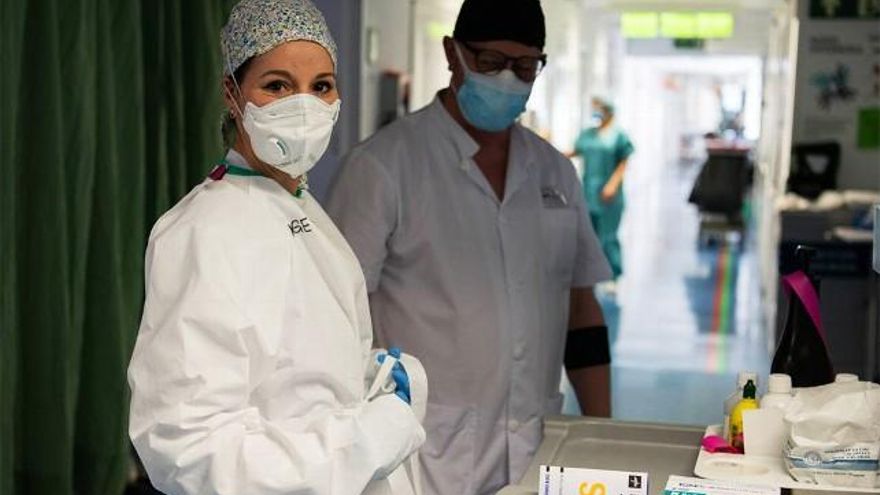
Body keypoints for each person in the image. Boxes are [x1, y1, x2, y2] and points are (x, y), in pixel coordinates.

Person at [127, 1, 427, 494]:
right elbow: (189, 447)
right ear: (232, 92)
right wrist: (365, 439)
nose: (304, 105)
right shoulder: (205, 231)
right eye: (277, 86)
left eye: (321, 86)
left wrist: (366, 381)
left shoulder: (303, 209)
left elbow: (292, 369)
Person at [325, 1, 613, 493]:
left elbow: (581, 310)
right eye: (491, 62)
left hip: (535, 445)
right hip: (422, 452)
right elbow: (333, 320)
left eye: (524, 67)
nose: (507, 79)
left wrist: (602, 435)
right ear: (452, 54)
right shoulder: (383, 168)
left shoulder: (555, 174)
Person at [567, 97, 634, 279]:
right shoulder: (588, 134)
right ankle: (592, 273)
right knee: (588, 236)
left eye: (599, 108)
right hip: (588, 193)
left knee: (608, 236)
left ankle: (613, 275)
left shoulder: (618, 136)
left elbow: (624, 161)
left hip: (609, 196)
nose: (595, 111)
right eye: (593, 107)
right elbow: (576, 151)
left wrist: (612, 185)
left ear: (608, 110)